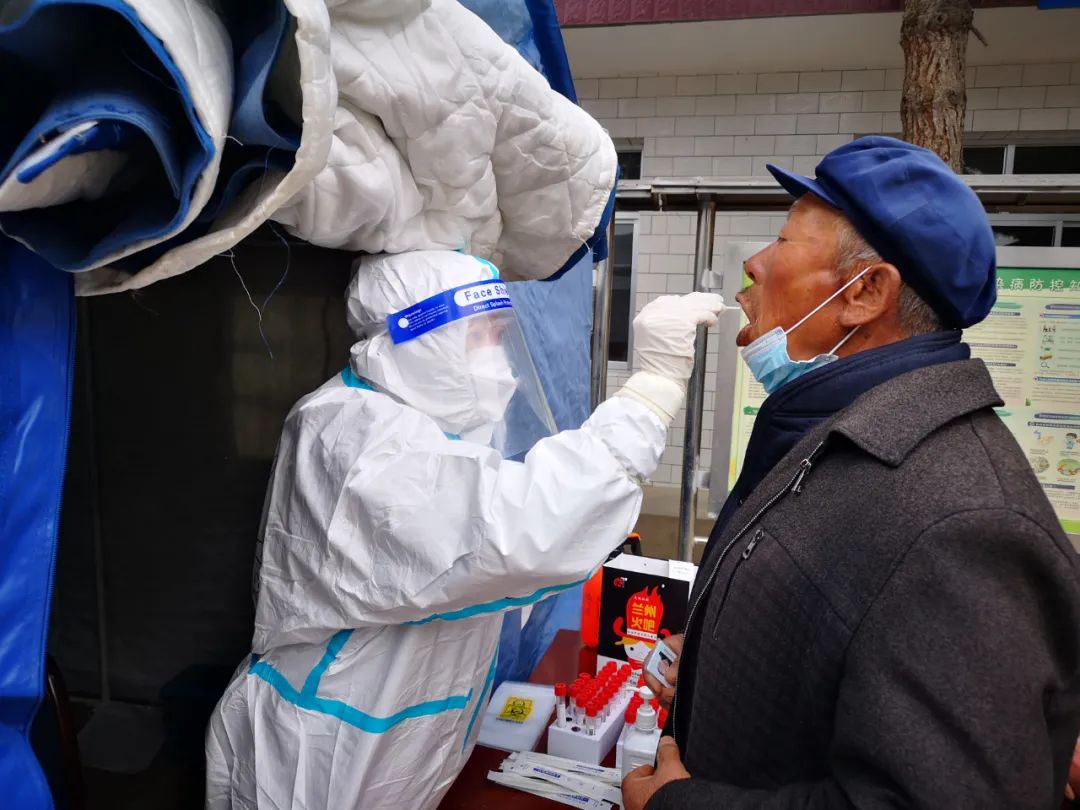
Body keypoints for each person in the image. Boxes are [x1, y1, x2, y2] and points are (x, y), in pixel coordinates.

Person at [627, 136, 1080, 809]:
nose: (753, 264)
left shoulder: (964, 523)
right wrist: (713, 660)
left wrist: (677, 805)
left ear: (866, 292)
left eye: (782, 242)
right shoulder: (842, 435)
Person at [204, 249, 725, 809]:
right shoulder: (348, 432)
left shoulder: (427, 428)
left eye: (501, 334)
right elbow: (519, 531)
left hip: (397, 744)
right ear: (417, 334)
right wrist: (650, 391)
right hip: (318, 753)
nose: (497, 355)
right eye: (480, 335)